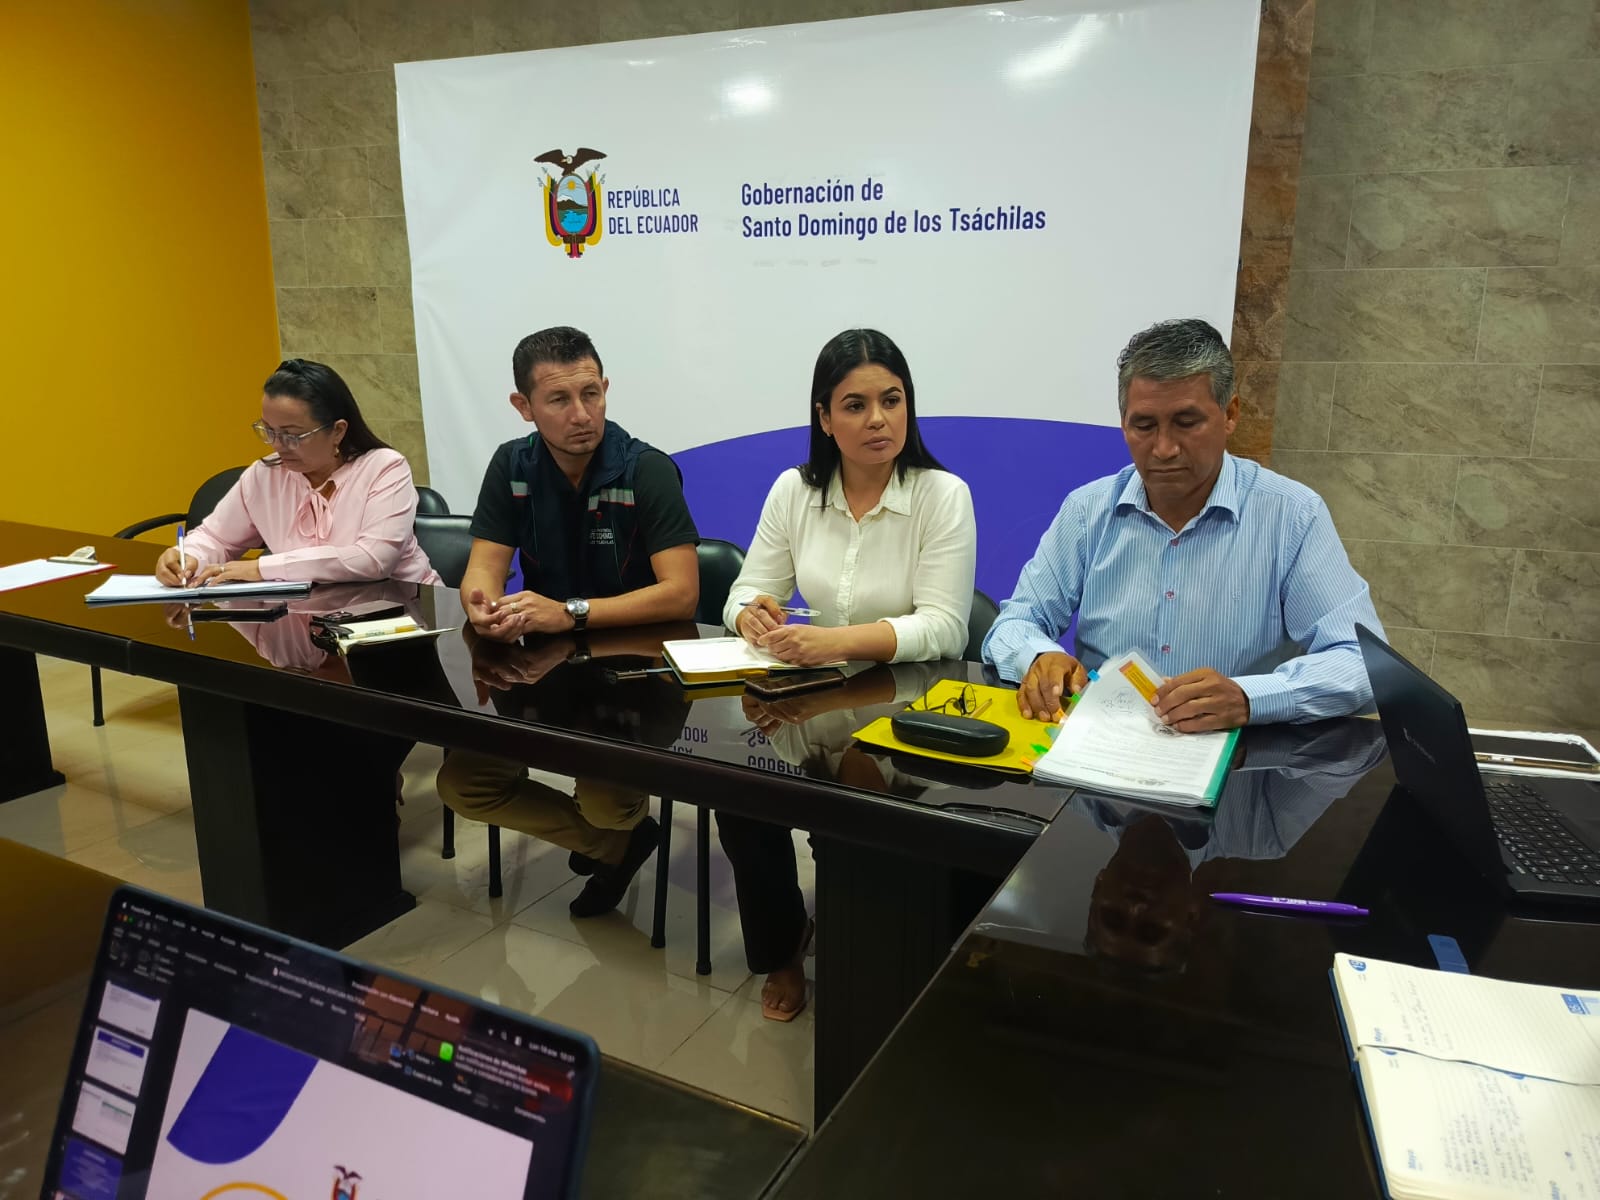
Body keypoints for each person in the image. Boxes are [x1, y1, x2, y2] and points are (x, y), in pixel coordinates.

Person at [720, 328, 977, 1021]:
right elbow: (742, 592)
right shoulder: (794, 491)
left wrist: (833, 640)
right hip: (806, 702)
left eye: (892, 400)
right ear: (824, 418)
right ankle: (783, 947)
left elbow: (945, 627)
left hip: (903, 707)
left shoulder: (941, 495)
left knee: (858, 819)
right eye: (856, 406)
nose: (878, 420)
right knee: (741, 799)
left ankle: (869, 945)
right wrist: (751, 616)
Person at [984, 317, 1382, 731]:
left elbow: (1361, 663)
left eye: (1186, 423)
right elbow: (1015, 623)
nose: (1164, 448)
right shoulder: (1088, 511)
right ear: (1123, 424)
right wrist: (1039, 656)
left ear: (1230, 414)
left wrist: (1250, 697)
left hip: (1238, 754)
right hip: (1103, 746)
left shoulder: (1291, 516)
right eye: (1144, 426)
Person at [436, 326, 700, 918]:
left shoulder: (646, 469)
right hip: (545, 670)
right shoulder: (512, 465)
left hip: (637, 679)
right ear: (523, 406)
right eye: (559, 399)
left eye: (591, 394)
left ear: (605, 388)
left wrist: (569, 613)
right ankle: (616, 846)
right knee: (462, 785)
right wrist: (481, 604)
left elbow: (682, 595)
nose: (582, 414)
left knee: (606, 801)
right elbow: (484, 570)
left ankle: (613, 828)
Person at [155, 359, 439, 587]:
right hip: (313, 616)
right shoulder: (266, 475)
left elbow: (373, 560)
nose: (278, 446)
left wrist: (262, 568)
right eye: (268, 431)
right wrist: (188, 556)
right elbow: (217, 537)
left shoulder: (384, 468)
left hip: (403, 613)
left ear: (337, 431)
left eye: (292, 435)